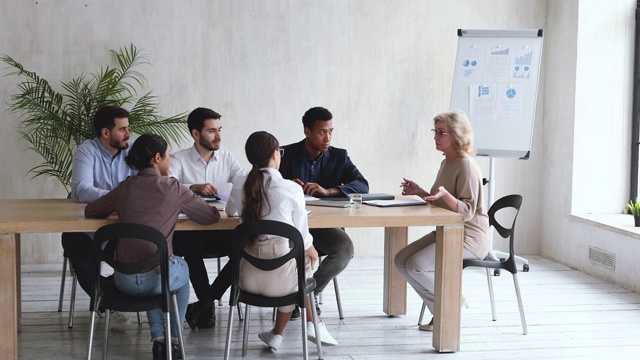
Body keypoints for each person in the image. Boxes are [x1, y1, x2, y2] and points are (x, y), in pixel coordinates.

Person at [85, 134, 221, 359]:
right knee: (176, 271)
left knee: (157, 269)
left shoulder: (125, 187)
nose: (170, 161)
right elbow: (210, 217)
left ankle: (159, 340)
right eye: (168, 156)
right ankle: (172, 341)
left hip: (123, 280)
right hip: (158, 278)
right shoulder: (173, 187)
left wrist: (120, 208)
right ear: (157, 158)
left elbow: (91, 210)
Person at [226, 131, 338, 350]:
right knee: (302, 262)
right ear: (275, 155)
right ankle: (312, 322)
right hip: (283, 284)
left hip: (246, 279)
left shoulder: (240, 183)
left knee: (294, 264)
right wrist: (313, 253)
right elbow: (303, 235)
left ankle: (278, 335)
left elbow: (230, 211)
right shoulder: (291, 189)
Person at [394, 111, 490, 331]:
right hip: (448, 230)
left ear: (456, 135)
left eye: (441, 133)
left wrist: (445, 194)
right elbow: (440, 203)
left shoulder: (466, 165)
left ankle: (449, 307)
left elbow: (465, 211)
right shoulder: (446, 162)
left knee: (417, 265)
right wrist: (419, 191)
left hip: (469, 238)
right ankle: (443, 310)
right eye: (435, 132)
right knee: (401, 260)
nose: (436, 137)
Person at [278, 106, 368, 317]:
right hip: (292, 227)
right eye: (321, 132)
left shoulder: (339, 156)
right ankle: (296, 297)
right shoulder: (285, 154)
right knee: (285, 249)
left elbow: (363, 184)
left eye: (330, 131)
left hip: (326, 227)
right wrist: (286, 184)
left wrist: (329, 191)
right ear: (307, 131)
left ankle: (307, 293)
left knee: (345, 249)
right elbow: (266, 182)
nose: (328, 138)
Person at [61, 105, 137, 331]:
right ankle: (107, 305)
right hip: (87, 229)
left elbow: (146, 184)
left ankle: (116, 297)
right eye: (122, 129)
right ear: (106, 133)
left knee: (142, 250)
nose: (128, 134)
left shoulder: (133, 151)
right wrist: (120, 196)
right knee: (77, 250)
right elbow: (81, 191)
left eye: (128, 128)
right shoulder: (87, 151)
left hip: (121, 227)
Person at [169, 107, 245, 329]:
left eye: (220, 130)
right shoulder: (179, 159)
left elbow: (243, 183)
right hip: (189, 231)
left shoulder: (228, 158)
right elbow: (166, 186)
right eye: (212, 131)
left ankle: (205, 303)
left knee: (245, 249)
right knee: (191, 247)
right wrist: (192, 187)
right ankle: (206, 305)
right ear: (196, 134)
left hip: (221, 228)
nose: (218, 136)